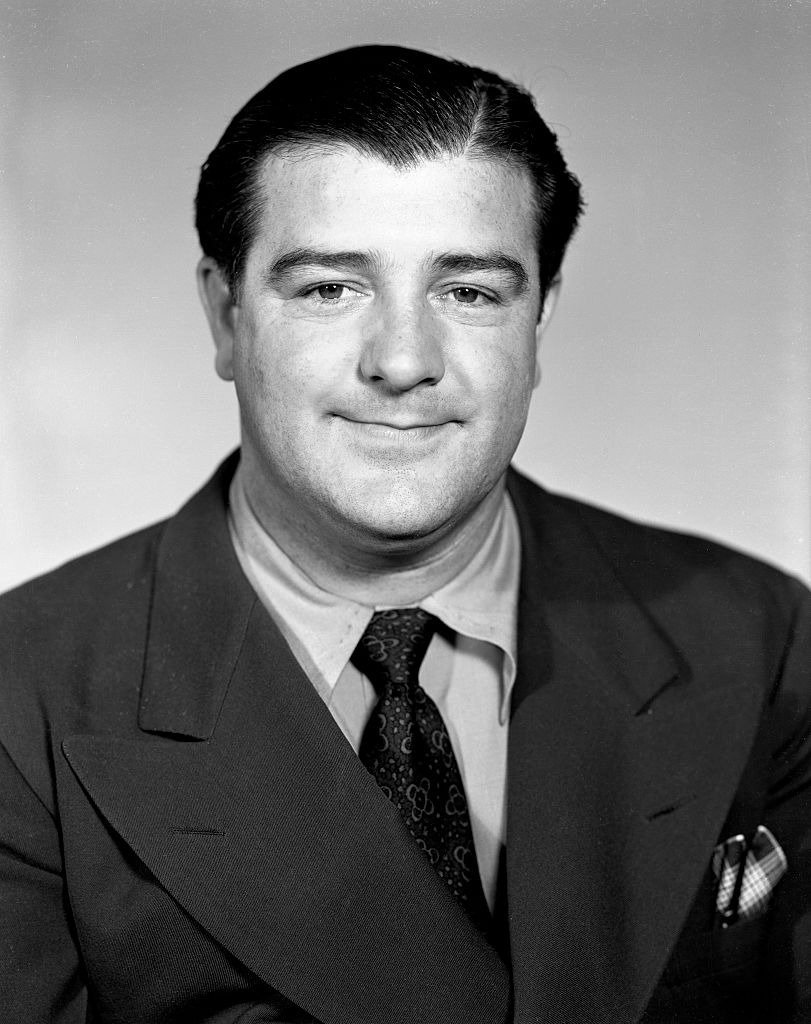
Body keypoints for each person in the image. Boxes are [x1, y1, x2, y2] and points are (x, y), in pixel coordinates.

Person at [0, 44, 808, 1024]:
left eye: (468, 291)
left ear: (539, 316)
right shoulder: (19, 699)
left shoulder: (760, 637)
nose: (403, 360)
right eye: (328, 288)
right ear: (224, 315)